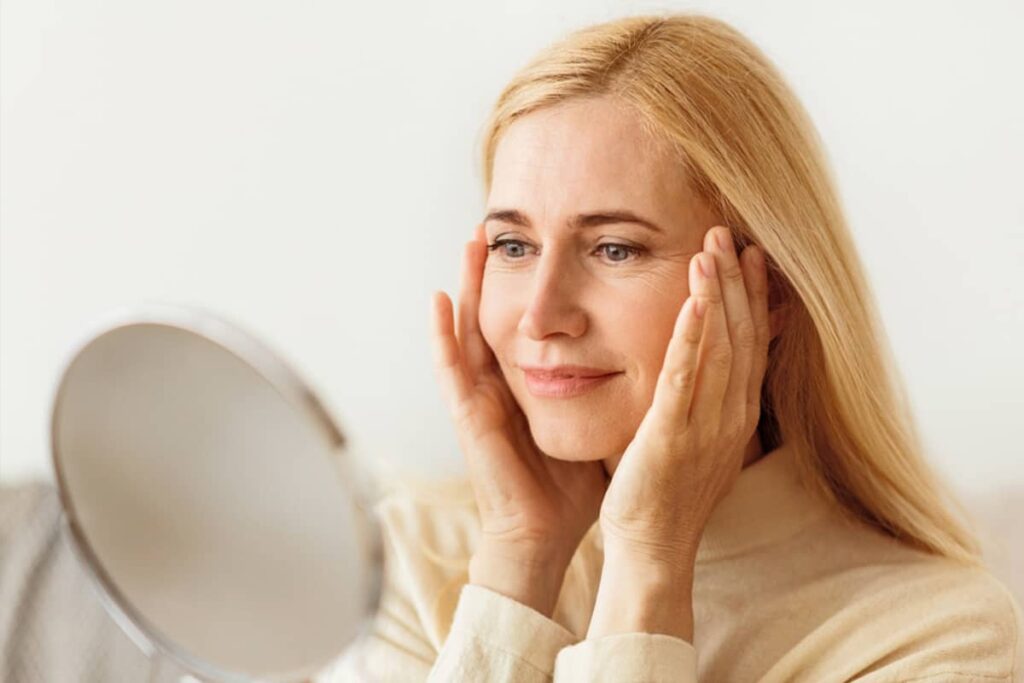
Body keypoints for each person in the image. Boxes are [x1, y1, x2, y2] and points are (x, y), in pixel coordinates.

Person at [316, 12, 1022, 682]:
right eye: (514, 244)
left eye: (615, 248)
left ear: (769, 293)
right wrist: (520, 562)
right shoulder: (414, 560)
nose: (540, 316)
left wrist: (650, 563)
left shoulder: (936, 635)